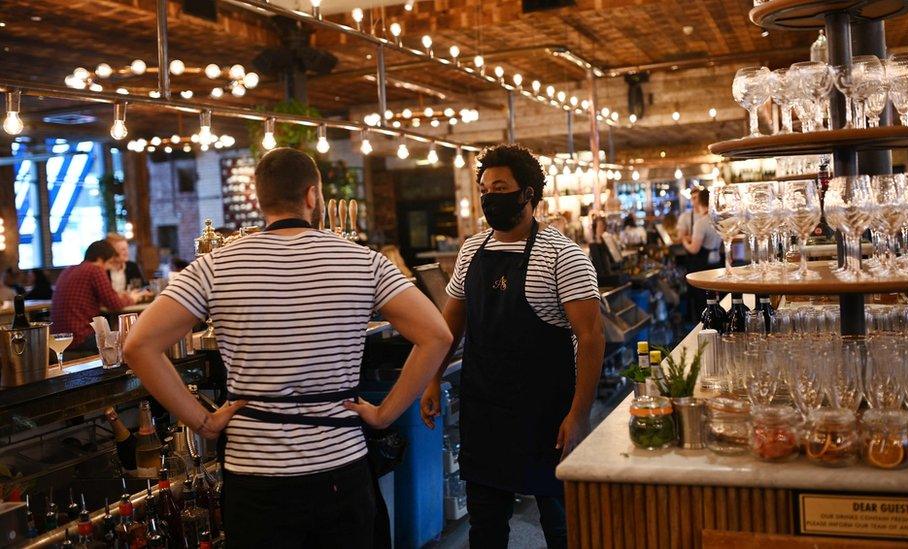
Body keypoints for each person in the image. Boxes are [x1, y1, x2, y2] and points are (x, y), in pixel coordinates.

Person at [123, 147, 453, 549]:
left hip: (254, 474)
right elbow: (437, 335)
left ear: (257, 200)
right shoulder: (364, 262)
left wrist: (203, 421)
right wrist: (384, 414)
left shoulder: (214, 267)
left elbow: (138, 346)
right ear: (313, 195)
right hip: (339, 464)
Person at [419, 144, 605, 549]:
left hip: (547, 415)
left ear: (528, 194)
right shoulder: (472, 250)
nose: (489, 197)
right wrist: (432, 378)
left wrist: (579, 414)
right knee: (485, 528)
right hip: (485, 411)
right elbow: (451, 323)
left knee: (563, 526)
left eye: (499, 187)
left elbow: (591, 338)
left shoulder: (563, 256)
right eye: (484, 188)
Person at [51, 240, 145, 354]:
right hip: (80, 337)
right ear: (101, 259)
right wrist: (133, 298)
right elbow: (115, 304)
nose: (108, 268)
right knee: (129, 341)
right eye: (109, 262)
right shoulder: (95, 270)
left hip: (59, 338)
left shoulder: (68, 270)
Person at [681, 188, 723, 322]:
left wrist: (684, 242)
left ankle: (703, 323)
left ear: (699, 202)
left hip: (703, 263)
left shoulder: (701, 223)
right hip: (717, 259)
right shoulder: (717, 220)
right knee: (717, 294)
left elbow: (694, 249)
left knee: (702, 297)